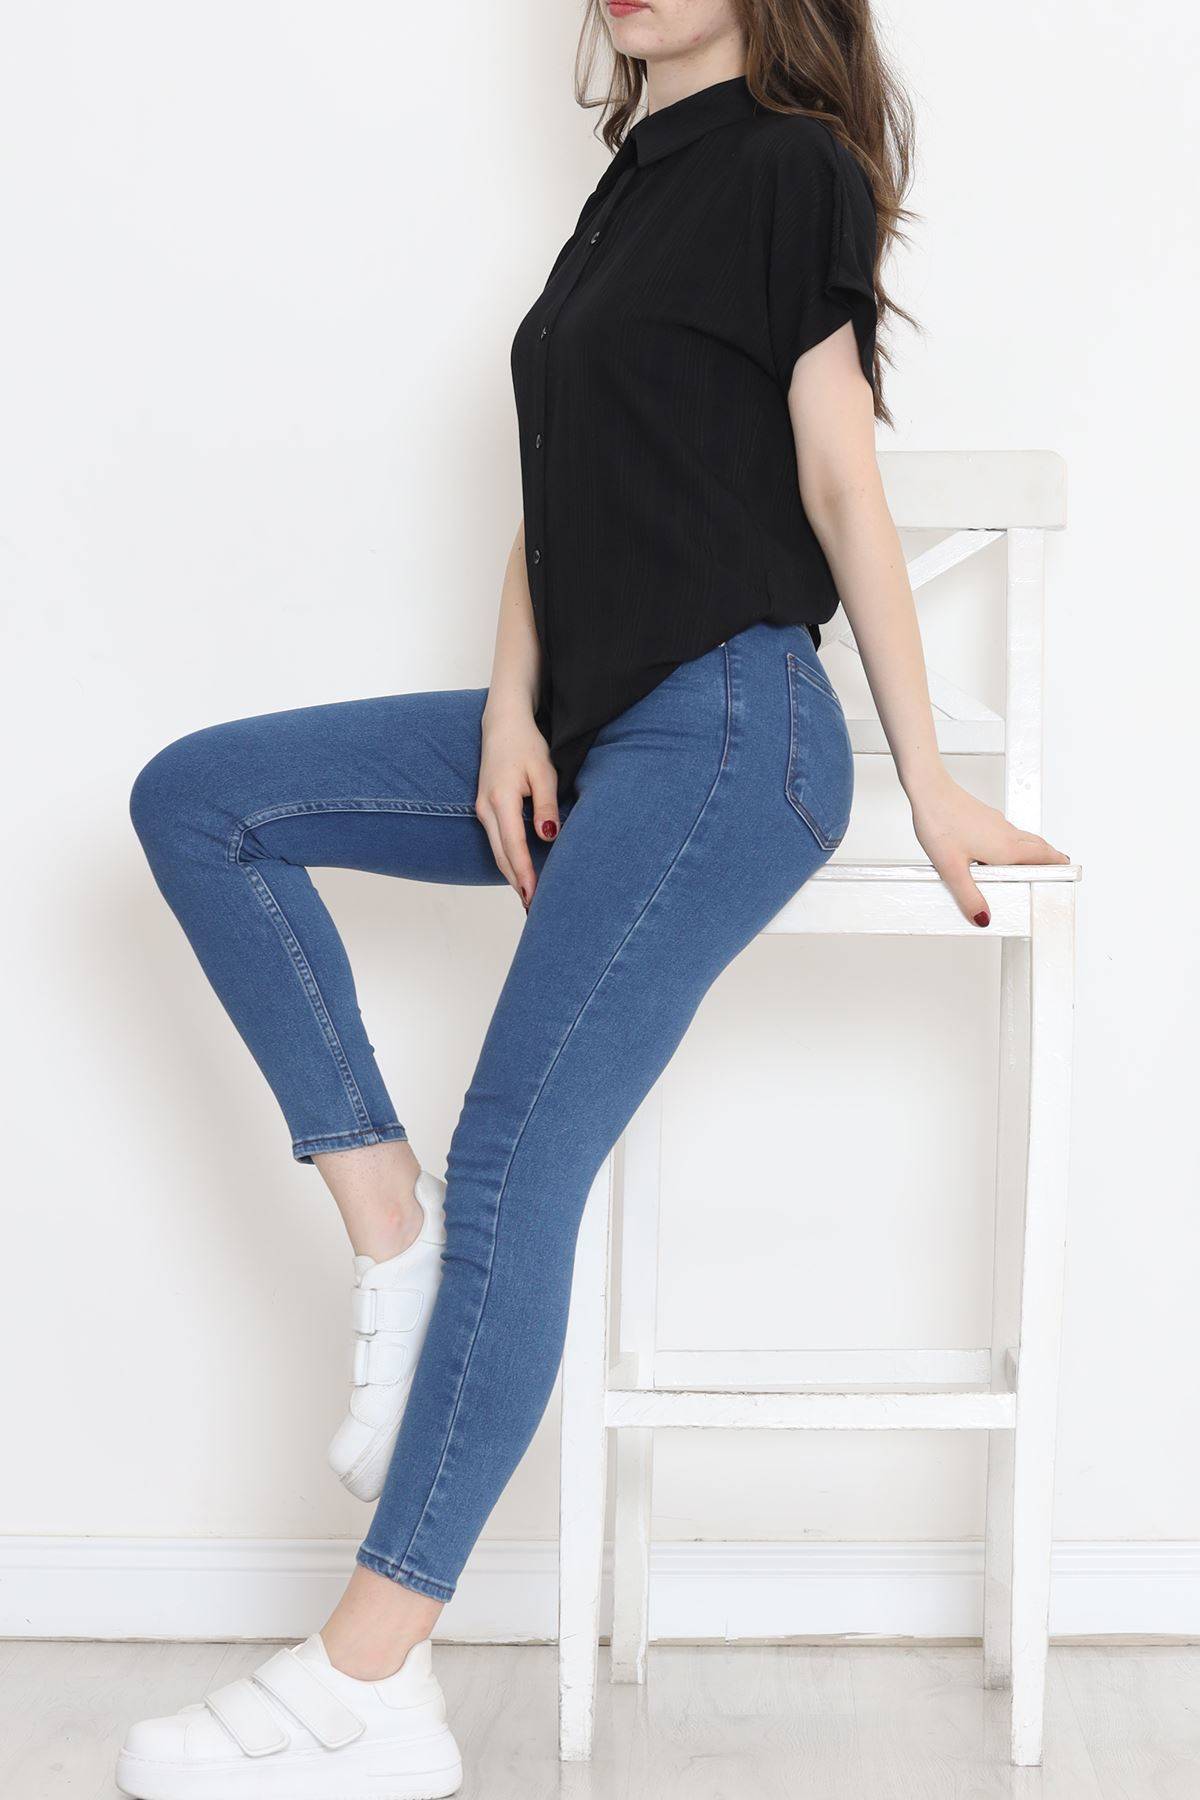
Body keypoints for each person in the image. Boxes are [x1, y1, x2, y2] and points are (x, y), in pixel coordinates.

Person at [115, 2, 1068, 1795]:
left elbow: (838, 473)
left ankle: (370, 1679)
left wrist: (931, 774)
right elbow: (562, 493)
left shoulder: (791, 167)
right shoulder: (628, 182)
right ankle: (386, 1232)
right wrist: (508, 706)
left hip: (731, 725)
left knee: (519, 1157)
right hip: (584, 716)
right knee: (204, 802)